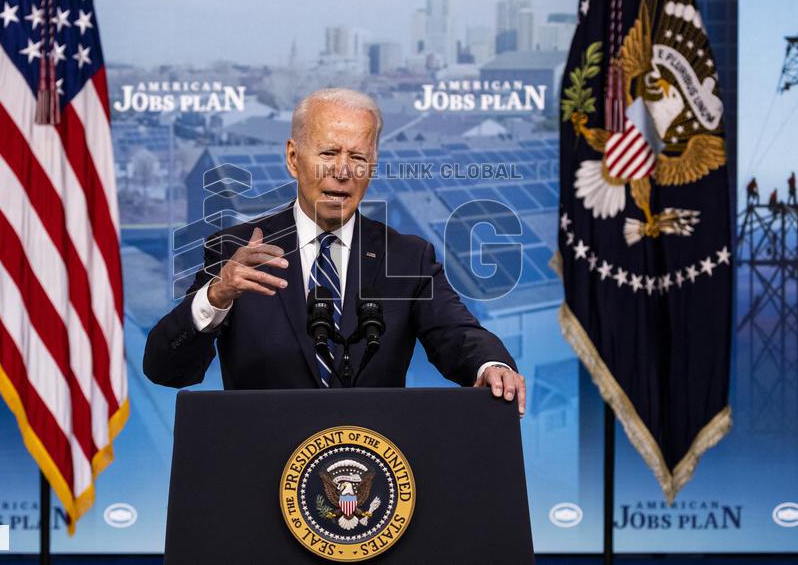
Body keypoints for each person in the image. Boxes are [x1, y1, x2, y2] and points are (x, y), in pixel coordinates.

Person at [144, 88, 527, 414]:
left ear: (372, 167)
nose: (343, 171)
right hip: (262, 472)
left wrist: (491, 365)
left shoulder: (408, 258)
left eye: (358, 158)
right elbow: (166, 369)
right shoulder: (234, 251)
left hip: (378, 479)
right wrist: (216, 296)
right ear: (293, 158)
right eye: (328, 153)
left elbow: (458, 333)